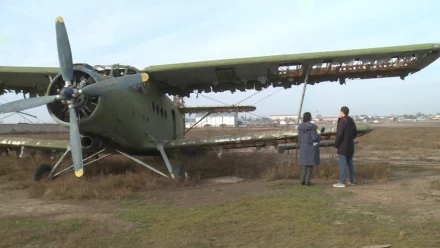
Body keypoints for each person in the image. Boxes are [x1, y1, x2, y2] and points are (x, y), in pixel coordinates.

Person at [333, 106, 358, 188]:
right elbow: (355, 133)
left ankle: (342, 181)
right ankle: (351, 180)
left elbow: (339, 135)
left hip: (343, 146)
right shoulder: (351, 120)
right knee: (350, 163)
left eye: (340, 111)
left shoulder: (342, 121)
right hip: (350, 145)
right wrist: (350, 139)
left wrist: (336, 145)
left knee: (342, 164)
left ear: (342, 112)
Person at [298, 112, 323, 186]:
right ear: (310, 117)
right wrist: (319, 137)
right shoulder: (312, 127)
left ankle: (302, 180)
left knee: (305, 165)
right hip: (311, 147)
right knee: (310, 165)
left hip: (303, 147)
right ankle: (307, 182)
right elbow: (314, 138)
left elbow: (299, 139)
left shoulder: (300, 127)